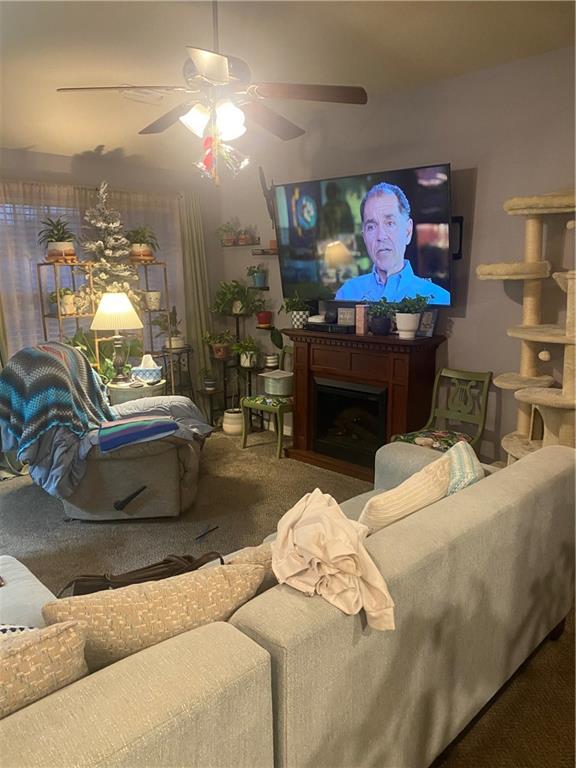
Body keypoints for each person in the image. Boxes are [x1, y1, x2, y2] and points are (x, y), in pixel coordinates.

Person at [335, 182, 450, 304]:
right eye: (371, 227)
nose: (380, 236)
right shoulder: (347, 294)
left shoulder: (439, 298)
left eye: (390, 223)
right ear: (364, 237)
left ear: (408, 231)